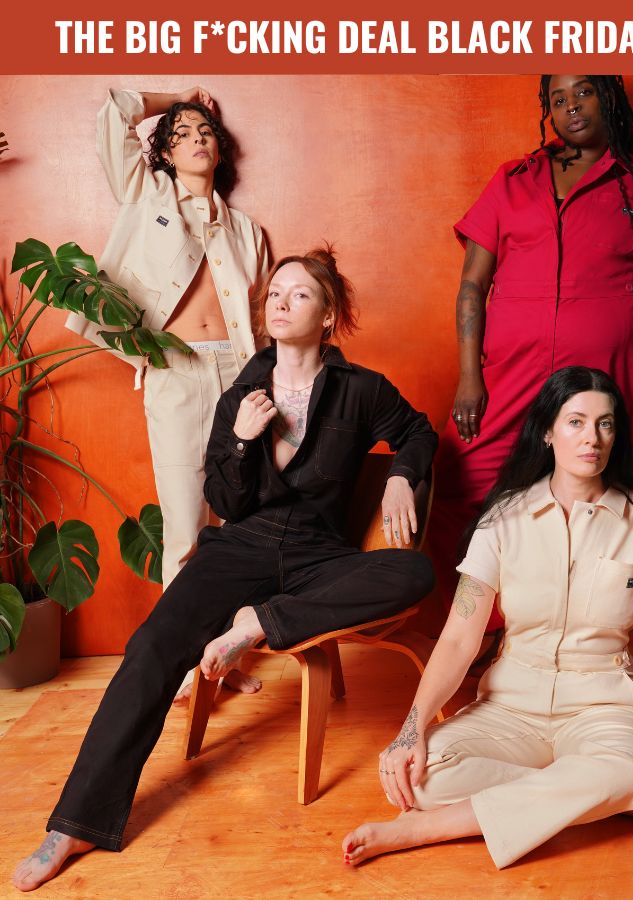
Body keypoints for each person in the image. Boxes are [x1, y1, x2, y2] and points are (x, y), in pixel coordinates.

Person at [12, 248, 438, 892]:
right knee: (153, 646)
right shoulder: (240, 393)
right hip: (240, 547)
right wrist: (241, 438)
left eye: (300, 294)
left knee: (412, 575)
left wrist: (403, 476)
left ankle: (257, 624)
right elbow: (229, 503)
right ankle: (73, 824)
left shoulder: (361, 389)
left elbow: (420, 433)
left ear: (328, 317)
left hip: (320, 553)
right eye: (275, 294)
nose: (282, 302)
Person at [342, 366, 633, 870]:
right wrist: (412, 728)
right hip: (510, 707)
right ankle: (606, 802)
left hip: (605, 707)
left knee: (629, 767)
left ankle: (430, 827)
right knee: (420, 773)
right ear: (547, 431)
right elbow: (458, 639)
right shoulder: (501, 520)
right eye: (575, 421)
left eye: (606, 424)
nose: (592, 438)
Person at [429, 75, 633, 630]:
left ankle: (576, 634)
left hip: (607, 373)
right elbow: (470, 287)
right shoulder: (513, 180)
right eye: (557, 99)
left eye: (582, 92)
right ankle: (484, 632)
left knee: (589, 501)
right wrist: (468, 377)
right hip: (509, 373)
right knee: (462, 482)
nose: (570, 107)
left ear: (609, 99)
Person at [66, 86, 271, 695]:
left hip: (238, 374)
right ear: (163, 152)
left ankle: (222, 658)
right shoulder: (145, 194)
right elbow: (112, 112)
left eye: (205, 130)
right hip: (176, 373)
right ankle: (181, 662)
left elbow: (258, 317)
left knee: (238, 522)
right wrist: (177, 98)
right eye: (180, 133)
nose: (196, 138)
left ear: (221, 149)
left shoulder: (246, 231)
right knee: (184, 523)